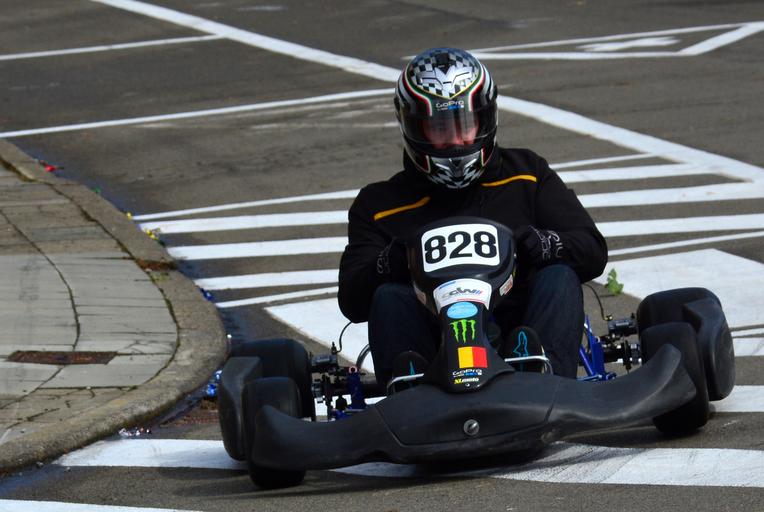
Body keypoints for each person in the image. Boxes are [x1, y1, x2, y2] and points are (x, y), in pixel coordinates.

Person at [338, 47, 607, 386]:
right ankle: (410, 389)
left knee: (558, 276)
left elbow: (592, 250)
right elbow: (352, 300)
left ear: (486, 119)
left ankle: (542, 376)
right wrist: (390, 262)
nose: (455, 140)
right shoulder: (379, 204)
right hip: (433, 352)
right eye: (439, 128)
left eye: (465, 124)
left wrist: (545, 245)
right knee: (389, 296)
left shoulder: (526, 174)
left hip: (520, 332)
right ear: (413, 127)